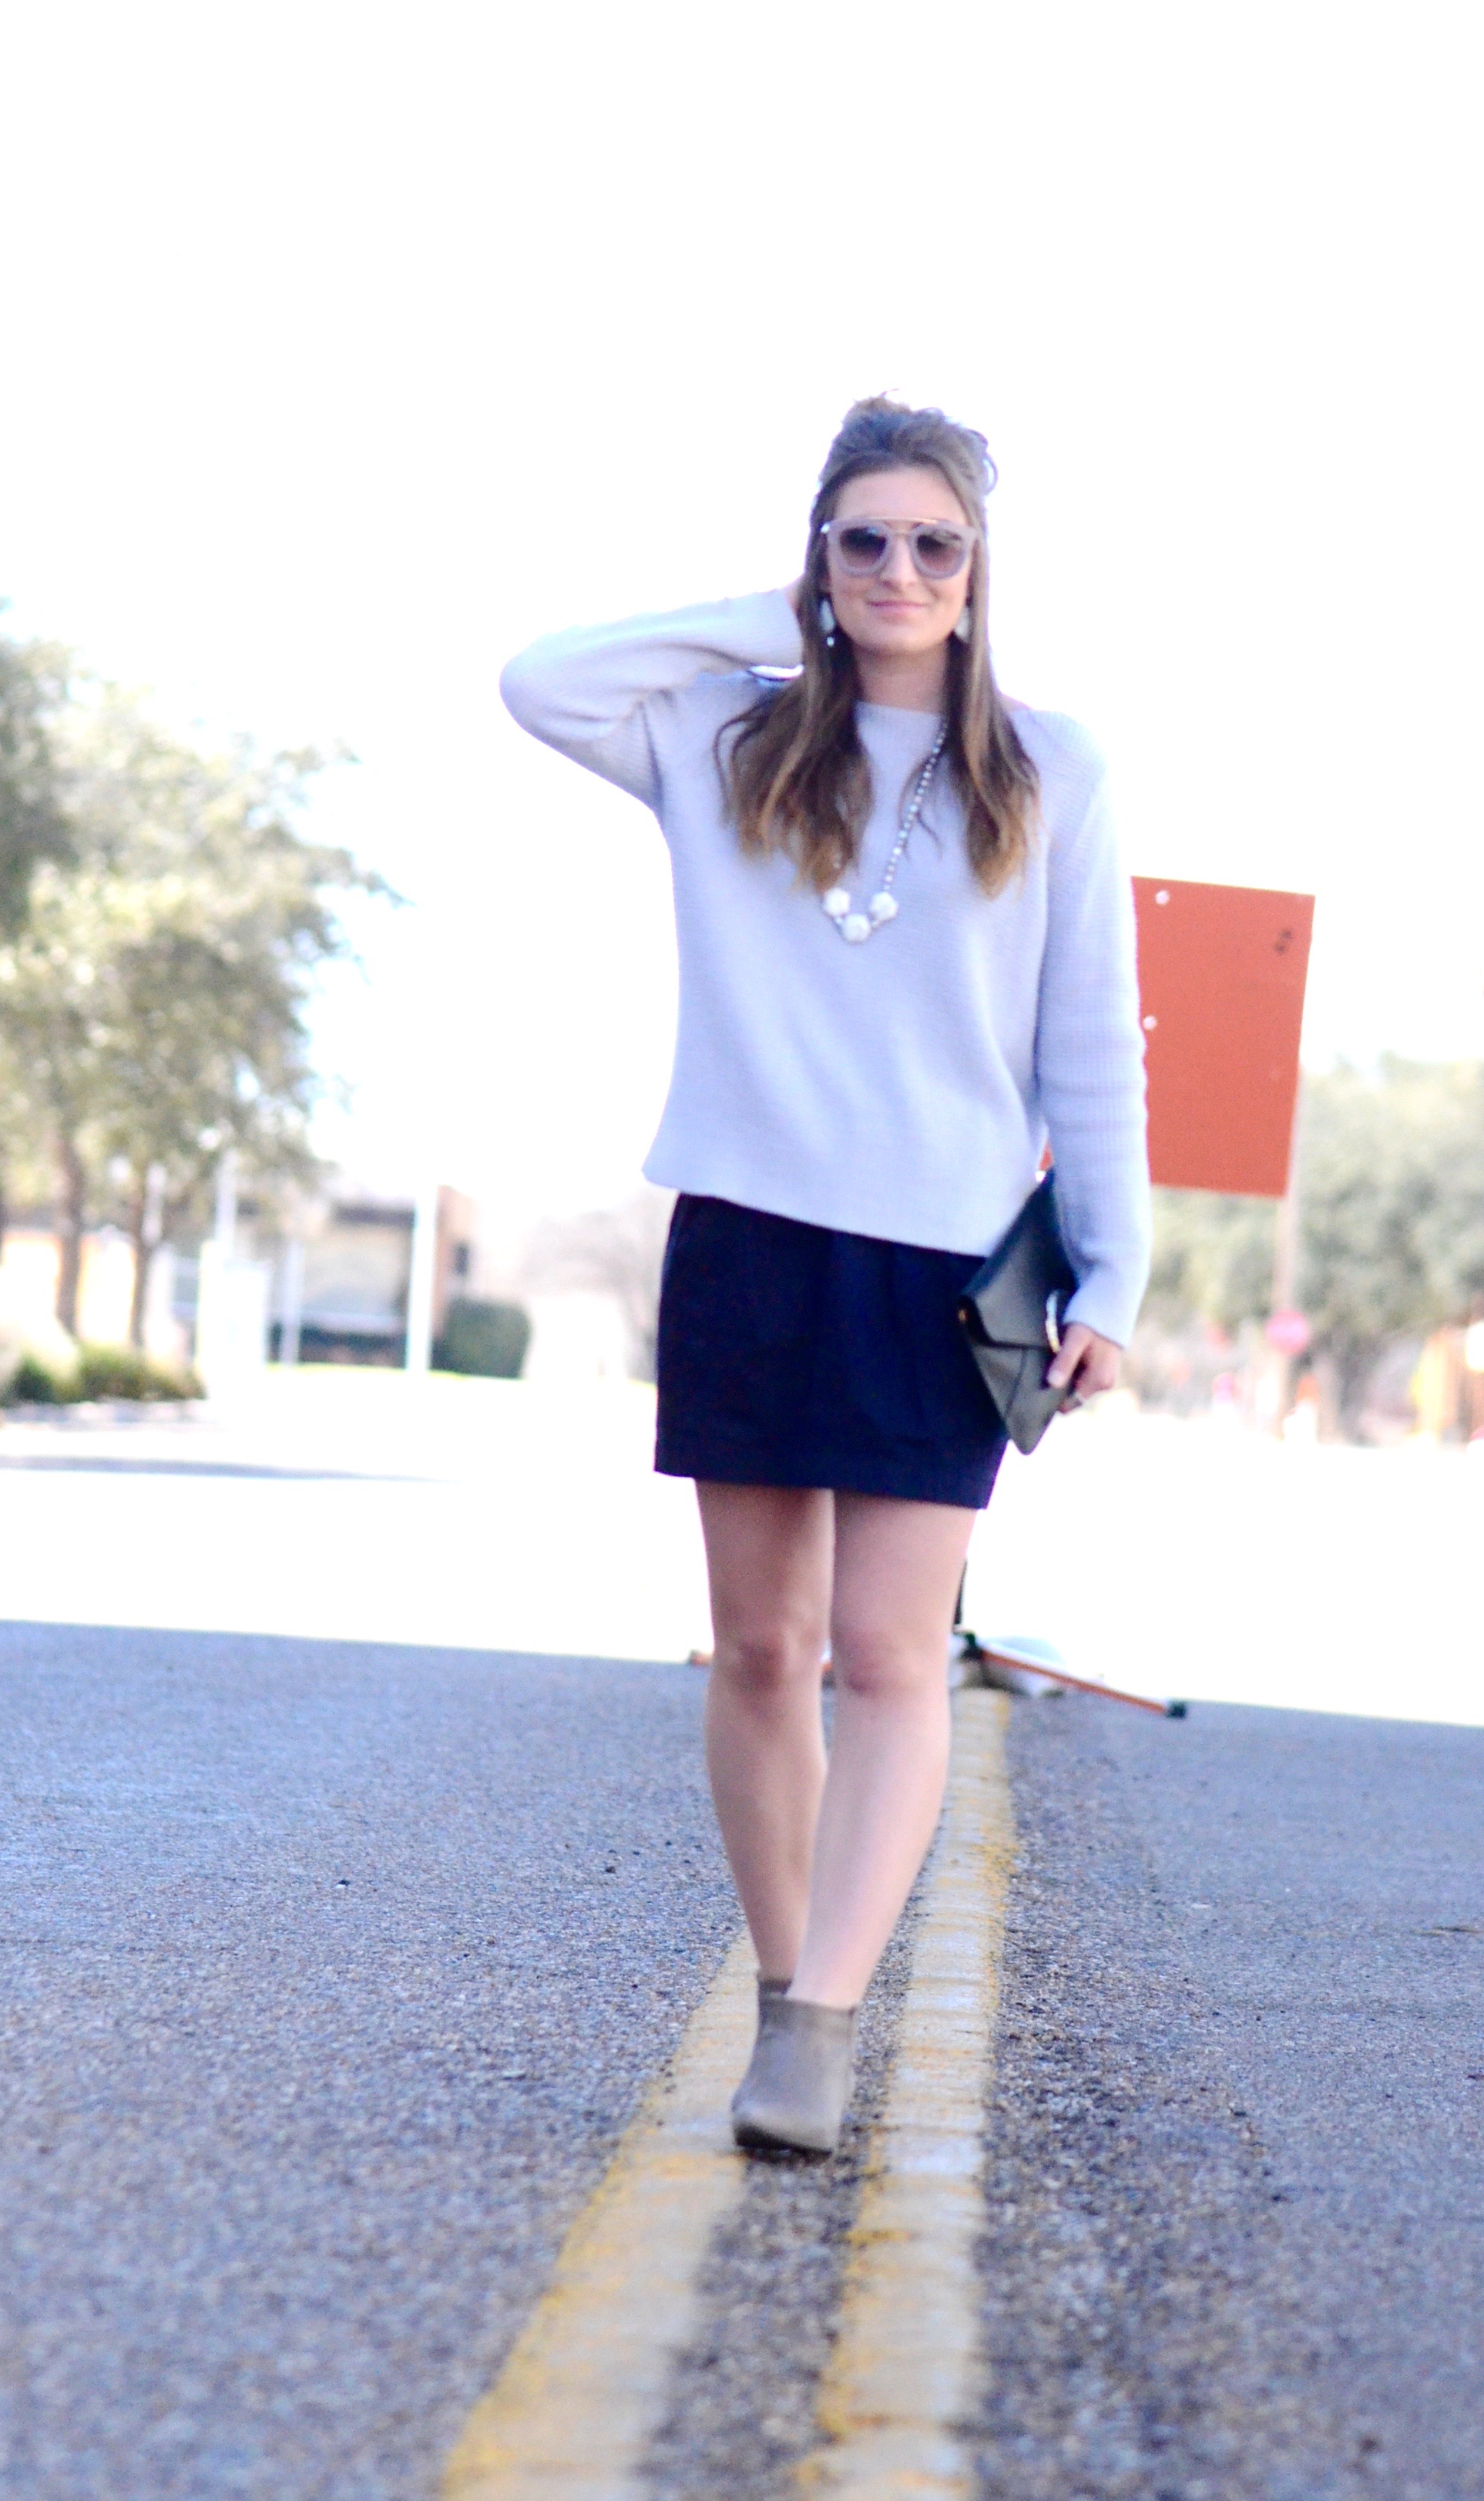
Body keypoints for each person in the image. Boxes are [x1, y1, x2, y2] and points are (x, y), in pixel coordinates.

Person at [500, 397, 1150, 2155]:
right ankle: (791, 1986)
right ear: (820, 557)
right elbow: (541, 677)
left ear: (980, 569)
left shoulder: (1052, 770)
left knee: (890, 1653)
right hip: (749, 1238)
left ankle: (831, 2019)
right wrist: (777, 619)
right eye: (861, 539)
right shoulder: (727, 748)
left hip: (945, 1267)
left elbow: (1089, 1051)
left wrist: (1116, 1274)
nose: (898, 571)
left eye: (934, 543)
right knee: (761, 1650)